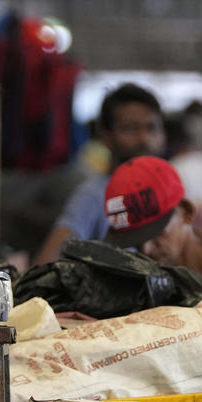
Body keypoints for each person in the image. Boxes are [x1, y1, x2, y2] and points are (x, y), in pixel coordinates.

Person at [33, 83, 166, 265]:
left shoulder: (168, 194)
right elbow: (45, 265)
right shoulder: (94, 196)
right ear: (106, 136)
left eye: (151, 128)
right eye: (130, 128)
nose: (144, 139)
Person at [101, 156, 202, 282]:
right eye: (134, 242)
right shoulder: (138, 277)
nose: (146, 250)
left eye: (156, 234)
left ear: (186, 212)